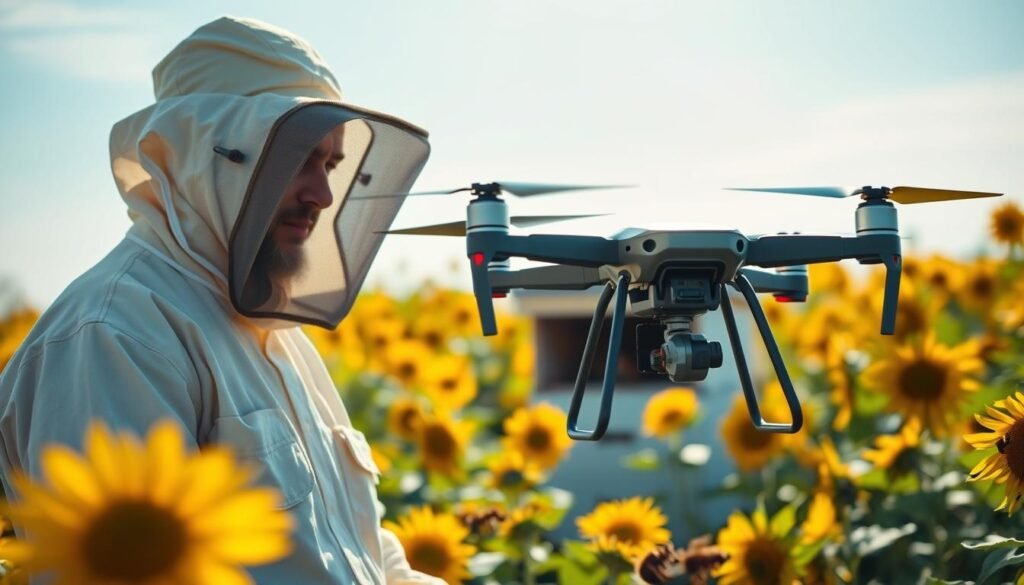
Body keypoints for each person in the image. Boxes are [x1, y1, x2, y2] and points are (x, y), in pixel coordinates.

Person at [0, 16, 441, 584]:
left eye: (330, 164)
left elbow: (363, 552)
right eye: (300, 158)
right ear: (205, 153)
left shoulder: (276, 335)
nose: (324, 196)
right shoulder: (114, 333)